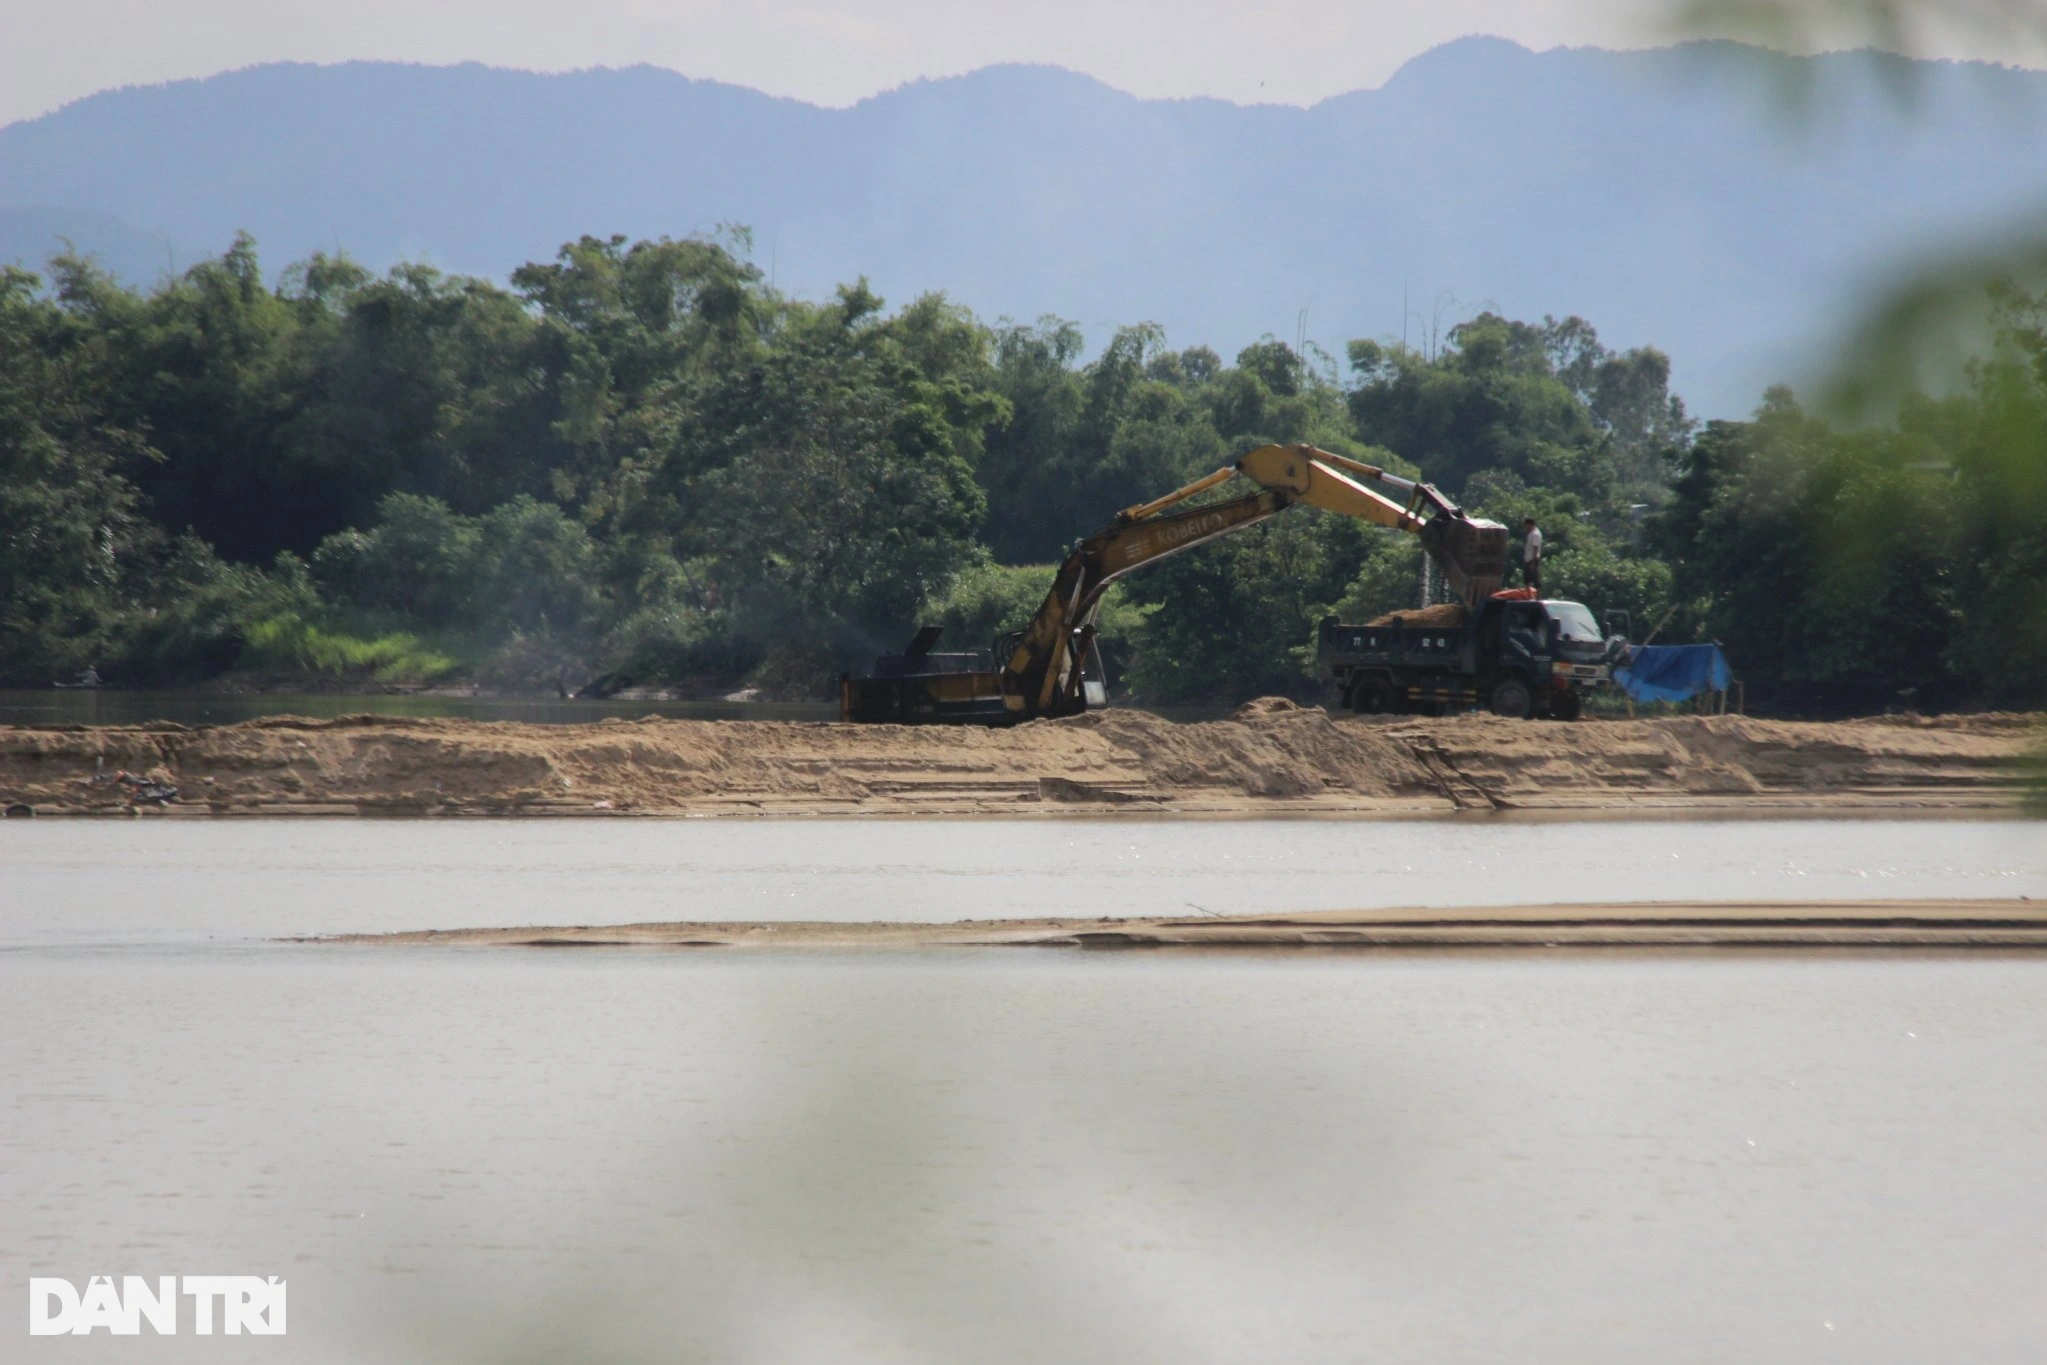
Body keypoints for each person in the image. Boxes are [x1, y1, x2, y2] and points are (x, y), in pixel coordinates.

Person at [1521, 516, 1543, 592]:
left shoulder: (1535, 534)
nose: (1526, 527)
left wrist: (1533, 562)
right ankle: (1528, 594)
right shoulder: (1531, 534)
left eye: (1526, 525)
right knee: (1527, 579)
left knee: (1534, 578)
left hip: (1532, 559)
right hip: (1528, 559)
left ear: (1530, 524)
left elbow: (1535, 548)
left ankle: (1537, 596)